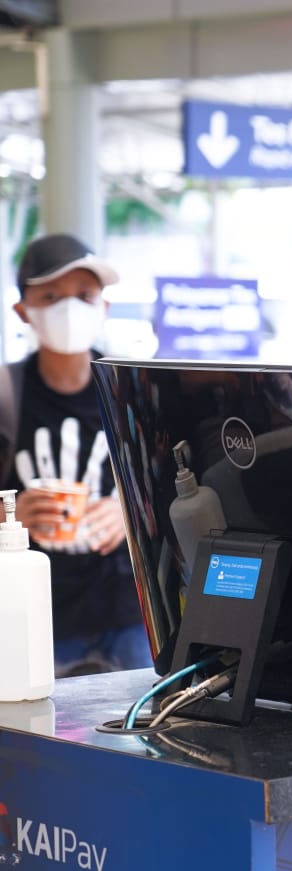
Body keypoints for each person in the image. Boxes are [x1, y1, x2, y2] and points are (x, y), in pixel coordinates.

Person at [0, 233, 150, 675]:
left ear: (104, 306)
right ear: (23, 311)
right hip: (31, 616)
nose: (70, 308)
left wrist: (130, 513)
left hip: (127, 612)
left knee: (141, 730)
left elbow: (173, 489)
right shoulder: (7, 395)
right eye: (51, 296)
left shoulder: (133, 391)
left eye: (84, 295)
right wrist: (10, 513)